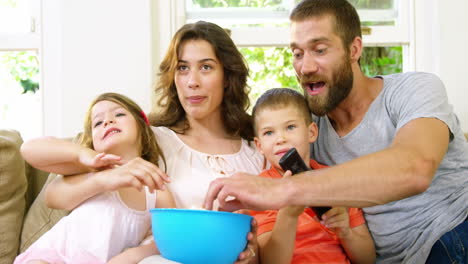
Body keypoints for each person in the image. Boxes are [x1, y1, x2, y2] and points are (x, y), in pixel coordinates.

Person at [204, 1, 468, 263]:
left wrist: (284, 190)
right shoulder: (309, 128)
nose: (305, 67)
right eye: (297, 53)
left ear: (354, 49)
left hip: (454, 234)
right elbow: (251, 135)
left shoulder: (413, 89)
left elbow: (416, 167)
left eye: (319, 50)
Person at [21, 21, 264, 263]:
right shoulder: (148, 139)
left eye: (206, 67)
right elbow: (55, 192)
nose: (192, 82)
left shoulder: (258, 152)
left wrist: (252, 254)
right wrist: (105, 177)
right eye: (182, 68)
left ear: (227, 75)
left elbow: (268, 231)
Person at [15, 92, 176, 264]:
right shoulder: (89, 170)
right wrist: (82, 155)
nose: (107, 121)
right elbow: (29, 150)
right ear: (93, 142)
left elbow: (169, 238)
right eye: (98, 122)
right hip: (50, 258)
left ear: (142, 126)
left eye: (119, 114)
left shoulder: (155, 189)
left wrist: (131, 256)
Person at [250, 88, 375, 264]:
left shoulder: (336, 181)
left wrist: (345, 232)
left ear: (311, 132)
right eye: (269, 133)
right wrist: (288, 214)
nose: (280, 139)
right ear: (259, 145)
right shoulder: (260, 191)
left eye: (290, 127)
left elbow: (368, 259)